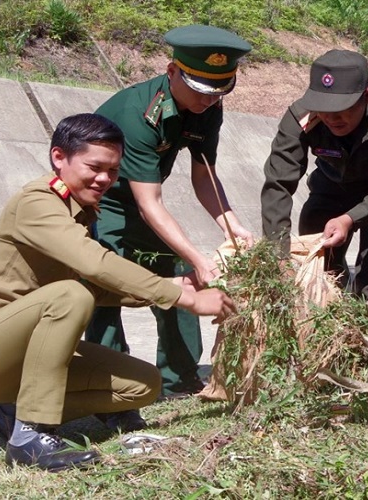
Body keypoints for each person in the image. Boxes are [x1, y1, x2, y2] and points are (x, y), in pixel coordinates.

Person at [0, 113, 236, 472]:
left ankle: (9, 414)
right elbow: (93, 265)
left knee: (143, 384)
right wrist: (185, 299)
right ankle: (31, 436)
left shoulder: (80, 212)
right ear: (59, 157)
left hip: (24, 354)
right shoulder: (37, 202)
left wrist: (173, 285)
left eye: (113, 170)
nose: (105, 179)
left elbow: (95, 285)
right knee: (68, 296)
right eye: (95, 167)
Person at [85, 25, 254, 403]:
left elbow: (203, 173)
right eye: (199, 90)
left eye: (218, 91)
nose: (208, 100)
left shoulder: (208, 105)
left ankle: (179, 379)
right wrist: (198, 255)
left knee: (180, 275)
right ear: (172, 71)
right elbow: (149, 203)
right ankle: (108, 382)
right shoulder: (139, 115)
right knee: (106, 281)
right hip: (103, 201)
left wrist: (231, 224)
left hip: (143, 198)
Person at [261, 49, 368, 300]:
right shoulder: (301, 115)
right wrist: (277, 255)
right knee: (319, 276)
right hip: (331, 189)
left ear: (366, 96)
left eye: (342, 108)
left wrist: (349, 219)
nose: (330, 118)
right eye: (323, 108)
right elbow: (278, 183)